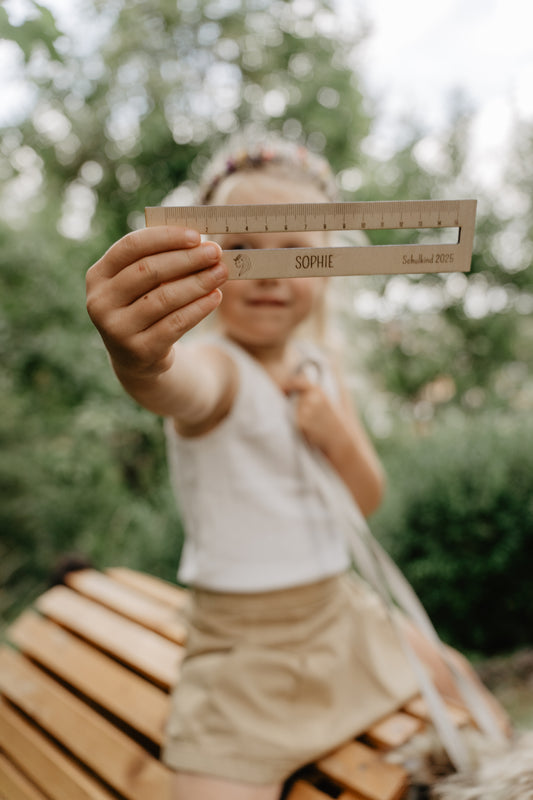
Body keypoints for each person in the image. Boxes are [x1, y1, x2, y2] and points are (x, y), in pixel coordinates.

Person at [86, 133, 509, 800]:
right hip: (241, 662)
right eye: (244, 249)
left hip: (341, 618)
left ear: (330, 265)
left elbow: (364, 498)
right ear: (205, 258)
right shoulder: (219, 367)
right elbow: (172, 385)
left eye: (297, 251)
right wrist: (138, 359)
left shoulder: (321, 369)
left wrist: (336, 433)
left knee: (468, 694)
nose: (274, 272)